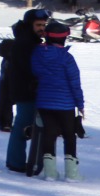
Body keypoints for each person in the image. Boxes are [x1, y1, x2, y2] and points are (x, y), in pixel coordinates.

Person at [0, 8, 47, 174]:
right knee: (21, 127)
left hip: (27, 90)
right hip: (26, 92)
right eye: (39, 25)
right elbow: (29, 69)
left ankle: (18, 161)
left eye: (44, 25)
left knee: (24, 127)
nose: (42, 28)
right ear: (29, 25)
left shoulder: (30, 40)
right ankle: (16, 162)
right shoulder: (26, 43)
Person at [31, 22, 84, 181]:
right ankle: (72, 173)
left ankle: (50, 172)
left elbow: (36, 72)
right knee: (69, 135)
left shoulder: (37, 54)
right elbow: (75, 83)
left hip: (44, 101)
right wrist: (80, 105)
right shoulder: (67, 58)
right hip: (65, 103)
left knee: (49, 134)